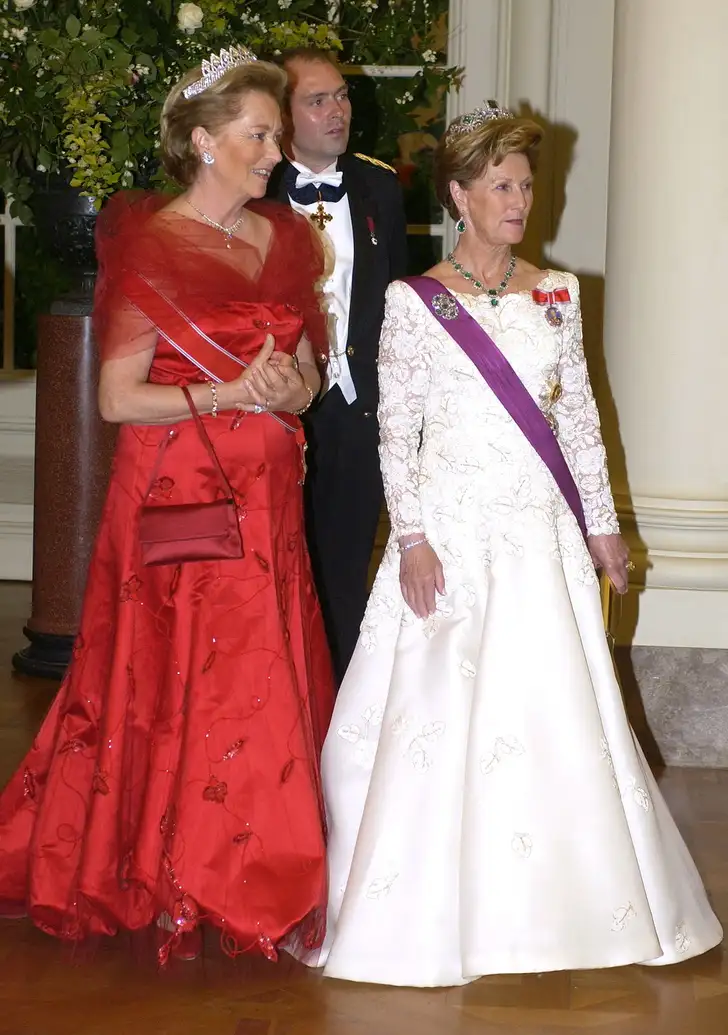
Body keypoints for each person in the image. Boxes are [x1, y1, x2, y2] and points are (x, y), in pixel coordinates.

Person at [303, 104, 723, 986]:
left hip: (540, 535)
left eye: (526, 185)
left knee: (553, 708)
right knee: (441, 712)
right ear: (459, 195)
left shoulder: (558, 293)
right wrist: (411, 538)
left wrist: (602, 527)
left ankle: (568, 902)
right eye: (501, 185)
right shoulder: (413, 303)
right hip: (451, 535)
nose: (520, 201)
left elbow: (580, 421)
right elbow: (398, 434)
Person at [0, 46, 335, 965]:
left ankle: (258, 865)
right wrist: (230, 393)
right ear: (203, 141)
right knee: (185, 678)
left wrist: (291, 388)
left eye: (275, 134)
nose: (276, 152)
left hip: (269, 503)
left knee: (259, 679)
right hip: (178, 494)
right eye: (258, 135)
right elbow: (116, 398)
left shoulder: (284, 240)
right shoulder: (152, 244)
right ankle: (183, 870)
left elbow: (307, 376)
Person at [266, 48, 409, 684]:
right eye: (317, 100)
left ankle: (343, 715)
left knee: (348, 573)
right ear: (283, 114)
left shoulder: (381, 187)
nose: (337, 111)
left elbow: (397, 302)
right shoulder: (257, 188)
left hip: (357, 408)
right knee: (279, 568)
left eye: (342, 96)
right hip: (275, 409)